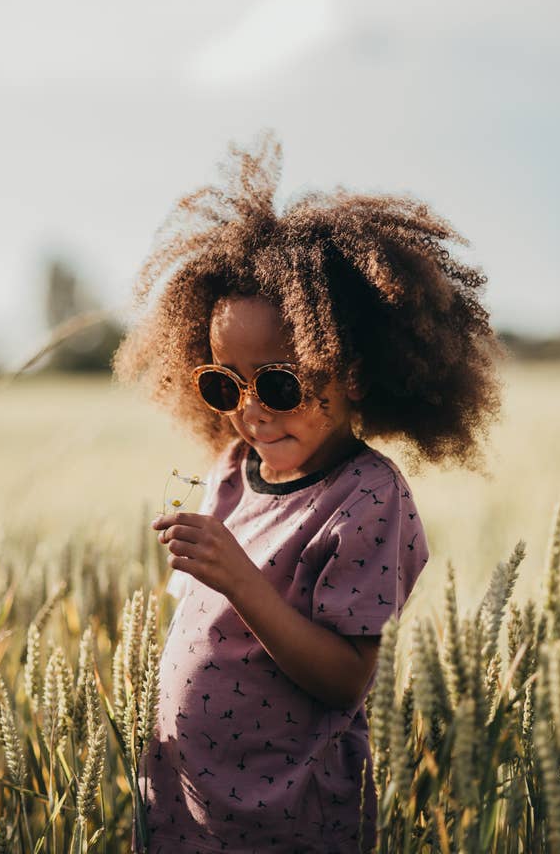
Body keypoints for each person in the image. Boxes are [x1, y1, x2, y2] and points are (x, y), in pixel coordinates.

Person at [112, 131, 506, 853]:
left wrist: (239, 578)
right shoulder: (233, 469)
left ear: (350, 374)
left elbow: (345, 678)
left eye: (280, 382)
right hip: (186, 800)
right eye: (224, 383)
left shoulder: (365, 497)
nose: (251, 409)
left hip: (288, 817)